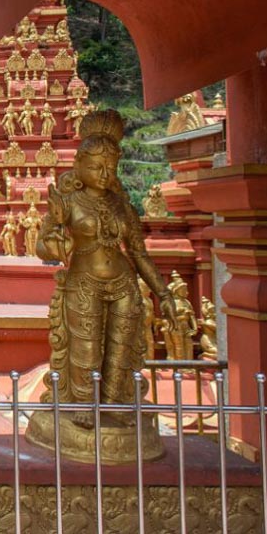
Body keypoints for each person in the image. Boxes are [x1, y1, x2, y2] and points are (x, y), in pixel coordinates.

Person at [36, 109, 175, 427]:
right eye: (96, 166)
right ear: (79, 166)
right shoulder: (68, 202)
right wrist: (55, 245)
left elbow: (139, 254)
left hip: (124, 283)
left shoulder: (122, 205)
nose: (103, 174)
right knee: (84, 349)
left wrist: (164, 293)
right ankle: (83, 403)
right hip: (84, 281)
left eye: (110, 168)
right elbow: (42, 244)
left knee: (120, 351)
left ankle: (115, 403)